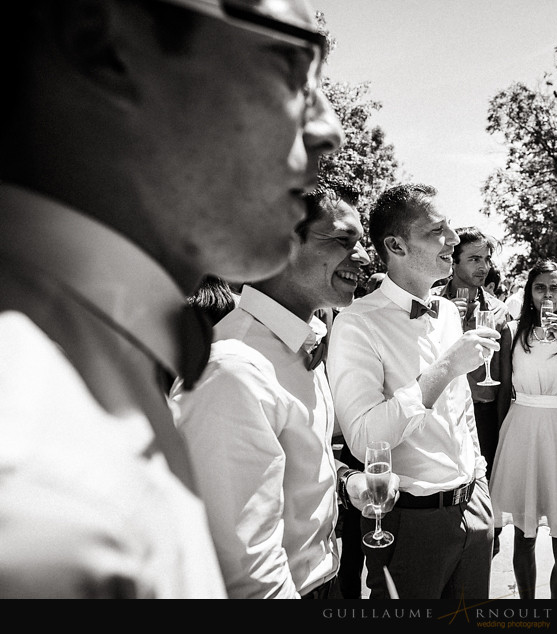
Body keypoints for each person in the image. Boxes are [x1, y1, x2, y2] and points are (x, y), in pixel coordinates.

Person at [0, 0, 342, 598]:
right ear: (103, 44)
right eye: (291, 66)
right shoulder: (38, 488)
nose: (327, 128)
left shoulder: (97, 374)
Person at [169, 184, 398, 599]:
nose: (364, 258)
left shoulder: (300, 342)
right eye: (344, 241)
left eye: (361, 243)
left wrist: (347, 483)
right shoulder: (233, 371)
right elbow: (248, 568)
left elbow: (294, 463)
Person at [327, 184, 499, 600]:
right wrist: (444, 369)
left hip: (473, 508)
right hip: (410, 523)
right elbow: (366, 439)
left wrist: (479, 479)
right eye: (437, 230)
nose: (454, 240)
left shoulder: (446, 313)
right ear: (395, 245)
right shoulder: (357, 323)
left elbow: (460, 415)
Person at [489, 259, 557, 599]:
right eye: (540, 287)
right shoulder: (512, 331)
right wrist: (500, 440)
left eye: (554, 287)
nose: (546, 294)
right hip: (522, 432)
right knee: (524, 535)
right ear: (529, 292)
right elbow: (505, 389)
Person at [435, 227, 510, 482]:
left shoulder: (499, 312)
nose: (484, 267)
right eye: (475, 259)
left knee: (484, 487)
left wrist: (502, 427)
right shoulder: (431, 305)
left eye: (487, 259)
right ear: (453, 262)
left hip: (484, 414)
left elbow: (504, 376)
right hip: (439, 412)